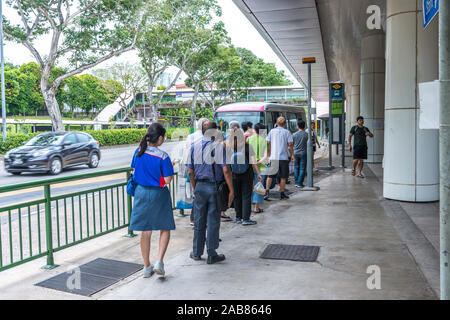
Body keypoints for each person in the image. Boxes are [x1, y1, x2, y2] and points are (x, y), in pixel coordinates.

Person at [129, 123, 175, 278]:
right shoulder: (163, 156)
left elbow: (134, 171)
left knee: (145, 230)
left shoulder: (138, 152)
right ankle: (159, 262)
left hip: (141, 192)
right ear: (160, 138)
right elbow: (168, 180)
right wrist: (169, 167)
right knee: (164, 227)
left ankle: (146, 267)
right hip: (158, 194)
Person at [187, 121, 234, 264]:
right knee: (213, 221)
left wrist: (196, 188)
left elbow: (190, 172)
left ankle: (196, 252)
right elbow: (226, 170)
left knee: (199, 220)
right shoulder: (219, 147)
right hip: (214, 187)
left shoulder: (194, 147)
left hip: (200, 186)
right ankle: (211, 253)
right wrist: (231, 190)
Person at [228, 126, 262, 225]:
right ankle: (246, 219)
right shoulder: (248, 146)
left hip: (234, 176)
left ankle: (238, 217)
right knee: (246, 196)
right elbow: (253, 161)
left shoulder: (229, 147)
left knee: (237, 196)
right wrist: (258, 173)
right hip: (247, 174)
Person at [185, 118, 209, 226]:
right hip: (201, 171)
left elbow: (187, 154)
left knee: (196, 195)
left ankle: (194, 219)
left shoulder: (191, 137)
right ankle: (198, 220)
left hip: (192, 169)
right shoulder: (207, 138)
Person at [265, 117, 294, 200]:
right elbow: (290, 144)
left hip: (273, 157)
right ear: (285, 124)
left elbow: (268, 142)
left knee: (270, 176)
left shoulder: (271, 131)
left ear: (276, 123)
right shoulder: (287, 132)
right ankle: (282, 193)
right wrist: (292, 155)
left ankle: (267, 192)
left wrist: (269, 153)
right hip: (283, 157)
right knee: (283, 177)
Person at [247, 123, 268, 213]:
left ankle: (251, 201)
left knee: (251, 186)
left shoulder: (248, 139)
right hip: (261, 167)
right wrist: (259, 161)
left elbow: (246, 153)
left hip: (250, 166)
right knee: (259, 187)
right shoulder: (264, 140)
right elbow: (266, 155)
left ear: (254, 129)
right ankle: (256, 207)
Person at [292, 120, 308, 188]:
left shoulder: (294, 134)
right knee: (302, 169)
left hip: (295, 152)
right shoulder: (306, 134)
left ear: (297, 126)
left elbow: (291, 144)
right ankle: (299, 183)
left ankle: (296, 182)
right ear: (304, 126)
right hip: (303, 153)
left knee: (296, 167)